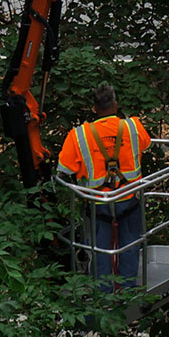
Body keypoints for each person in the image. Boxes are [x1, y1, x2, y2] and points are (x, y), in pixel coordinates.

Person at [58, 83, 151, 291]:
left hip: (98, 204)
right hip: (129, 198)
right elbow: (145, 144)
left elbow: (64, 168)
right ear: (115, 104)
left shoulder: (78, 136)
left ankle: (104, 296)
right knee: (130, 246)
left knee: (100, 250)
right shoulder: (132, 126)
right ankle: (128, 291)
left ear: (94, 108)